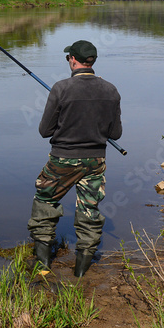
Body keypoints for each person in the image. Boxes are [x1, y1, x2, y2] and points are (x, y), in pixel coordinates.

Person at [28, 40, 121, 277]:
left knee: (45, 202)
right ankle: (80, 272)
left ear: (72, 60)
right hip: (95, 161)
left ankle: (43, 265)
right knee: (89, 210)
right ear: (92, 61)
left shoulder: (61, 88)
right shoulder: (111, 90)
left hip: (63, 160)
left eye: (68, 57)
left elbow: (44, 131)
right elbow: (115, 134)